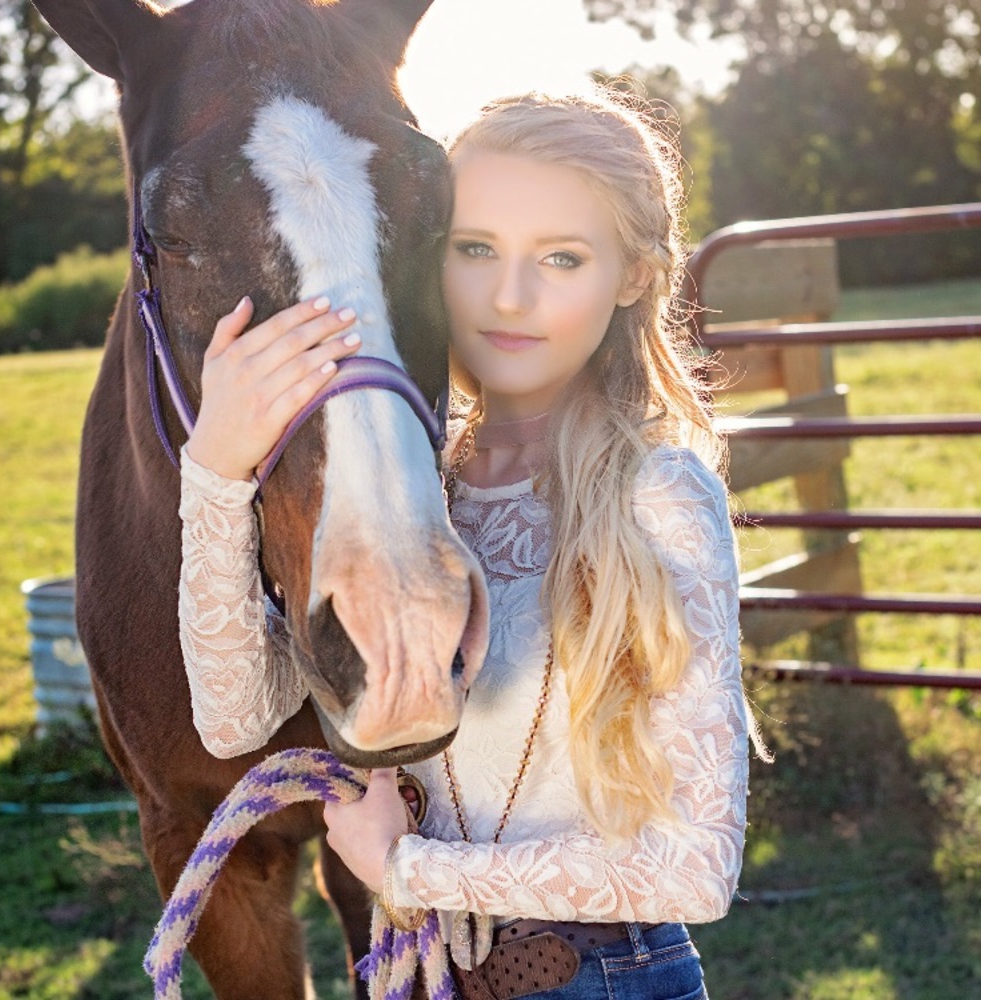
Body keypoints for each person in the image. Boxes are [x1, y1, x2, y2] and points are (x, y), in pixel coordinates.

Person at [178, 89, 762, 1000]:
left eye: (561, 258)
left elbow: (694, 866)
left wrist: (408, 870)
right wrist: (214, 470)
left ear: (636, 275)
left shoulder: (658, 495)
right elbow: (233, 716)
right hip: (417, 973)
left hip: (596, 977)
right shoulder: (418, 488)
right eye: (475, 249)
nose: (508, 297)